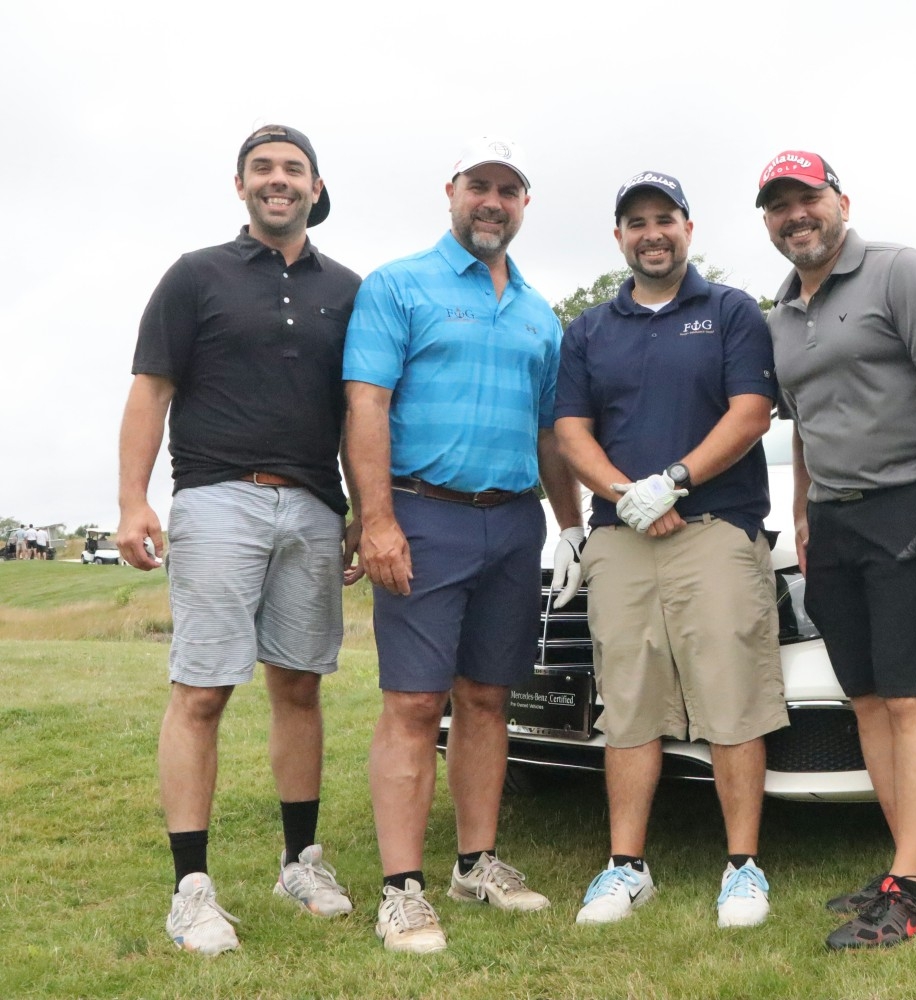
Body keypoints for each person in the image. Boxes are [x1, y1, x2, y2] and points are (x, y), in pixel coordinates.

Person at [117, 125, 363, 956]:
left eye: (293, 169)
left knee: (299, 687)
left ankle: (300, 861)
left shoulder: (349, 289)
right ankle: (191, 889)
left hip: (313, 506)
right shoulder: (197, 276)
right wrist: (131, 501)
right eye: (263, 168)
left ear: (316, 187)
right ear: (240, 185)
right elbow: (151, 392)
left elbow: (362, 414)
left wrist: (368, 511)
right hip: (218, 498)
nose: (278, 180)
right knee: (203, 690)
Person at [344, 136, 585, 955]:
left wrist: (572, 523)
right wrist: (375, 519)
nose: (493, 201)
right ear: (452, 192)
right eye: (479, 186)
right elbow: (367, 408)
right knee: (414, 703)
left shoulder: (537, 313)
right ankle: (401, 888)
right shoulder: (397, 286)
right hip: (424, 514)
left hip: (513, 522)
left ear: (524, 205)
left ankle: (475, 862)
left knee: (488, 697)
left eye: (508, 190)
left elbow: (552, 434)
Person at [755, 150, 916, 950]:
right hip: (839, 523)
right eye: (778, 206)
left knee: (913, 697)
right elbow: (806, 426)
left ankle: (911, 889)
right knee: (868, 701)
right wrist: (804, 515)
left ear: (840, 200)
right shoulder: (779, 316)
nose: (795, 216)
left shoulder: (899, 273)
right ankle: (906, 866)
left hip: (912, 506)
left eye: (806, 198)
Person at [553, 171, 787, 928]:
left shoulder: (730, 311)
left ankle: (743, 868)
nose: (651, 232)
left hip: (714, 528)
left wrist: (675, 481)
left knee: (731, 693)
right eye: (636, 222)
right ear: (619, 237)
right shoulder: (589, 329)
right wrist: (627, 494)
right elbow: (569, 432)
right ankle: (626, 868)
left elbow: (752, 412)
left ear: (689, 228)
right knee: (627, 701)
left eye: (665, 218)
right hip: (621, 537)